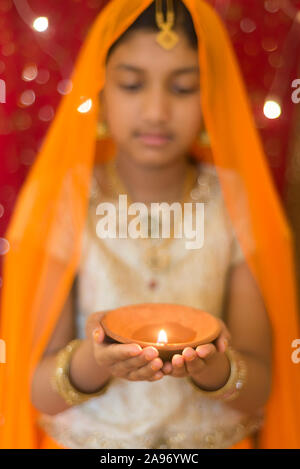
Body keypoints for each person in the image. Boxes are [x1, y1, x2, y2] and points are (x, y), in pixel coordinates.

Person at [0, 0, 299, 449]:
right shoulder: (65, 200)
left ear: (210, 97)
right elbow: (37, 390)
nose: (157, 111)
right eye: (132, 85)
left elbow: (262, 385)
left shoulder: (237, 200)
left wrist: (212, 366)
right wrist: (95, 360)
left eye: (182, 88)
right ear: (100, 93)